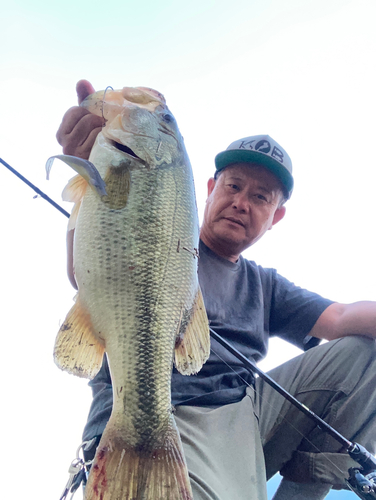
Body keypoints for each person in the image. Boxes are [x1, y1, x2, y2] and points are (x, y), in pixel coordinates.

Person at [57, 80, 376, 500]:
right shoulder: (161, 225)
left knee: (365, 354)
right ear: (209, 190)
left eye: (260, 196)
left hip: (246, 416)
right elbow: (86, 269)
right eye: (233, 186)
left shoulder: (266, 285)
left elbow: (340, 318)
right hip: (162, 405)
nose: (242, 202)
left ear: (275, 217)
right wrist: (90, 168)